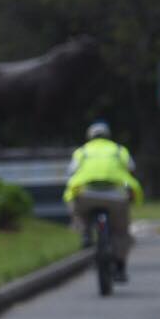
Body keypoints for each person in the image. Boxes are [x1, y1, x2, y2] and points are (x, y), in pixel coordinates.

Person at [64, 120, 143, 282]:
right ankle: (120, 268)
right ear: (108, 136)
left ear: (89, 136)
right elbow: (131, 169)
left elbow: (71, 172)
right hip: (115, 196)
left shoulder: (82, 151)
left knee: (76, 207)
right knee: (121, 232)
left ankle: (85, 233)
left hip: (87, 194)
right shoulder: (119, 150)